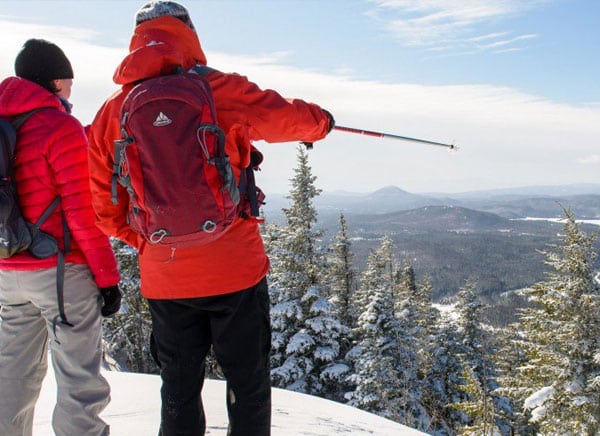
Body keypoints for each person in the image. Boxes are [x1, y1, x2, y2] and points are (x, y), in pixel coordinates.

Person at [87, 1, 334, 435]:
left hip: (165, 278)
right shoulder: (221, 90)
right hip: (235, 270)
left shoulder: (113, 111)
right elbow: (289, 118)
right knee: (248, 384)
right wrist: (323, 123)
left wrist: (149, 241)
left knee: (179, 389)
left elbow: (104, 211)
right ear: (189, 33)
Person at [0, 39, 121, 436]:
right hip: (59, 273)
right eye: (68, 82)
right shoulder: (59, 126)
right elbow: (83, 215)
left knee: (11, 376)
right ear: (54, 81)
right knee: (79, 383)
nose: (70, 90)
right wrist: (107, 279)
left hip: (7, 270)